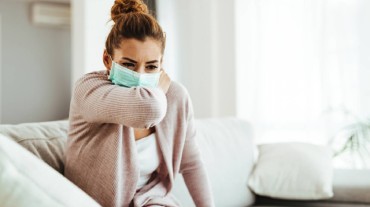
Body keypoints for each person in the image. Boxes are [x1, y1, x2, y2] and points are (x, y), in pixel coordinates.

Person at [64, 0, 214, 206]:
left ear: (162, 65)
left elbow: (191, 164)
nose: (140, 75)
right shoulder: (89, 89)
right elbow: (147, 110)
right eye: (128, 65)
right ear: (107, 60)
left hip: (151, 199)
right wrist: (158, 90)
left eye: (152, 66)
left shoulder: (176, 97)